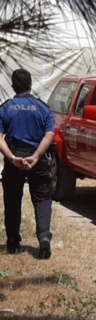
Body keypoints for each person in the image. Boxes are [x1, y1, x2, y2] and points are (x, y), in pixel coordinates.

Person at [0, 69, 55, 259]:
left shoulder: (5, 108)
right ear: (30, 85)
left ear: (13, 86)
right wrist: (37, 155)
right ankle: (43, 237)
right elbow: (49, 134)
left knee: (12, 200)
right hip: (37, 159)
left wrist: (12, 158)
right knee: (41, 198)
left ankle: (14, 243)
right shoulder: (43, 108)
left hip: (14, 156)